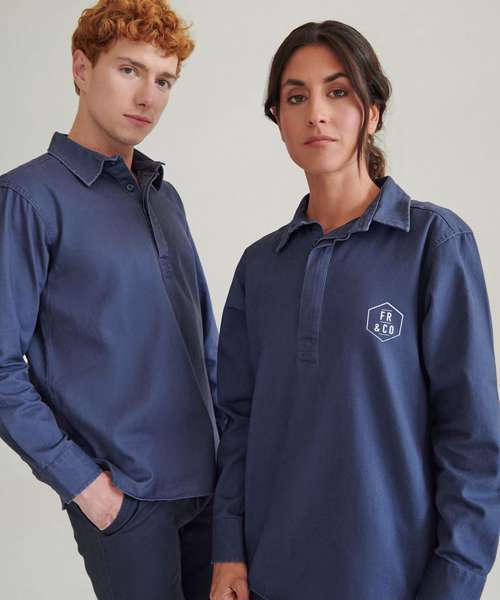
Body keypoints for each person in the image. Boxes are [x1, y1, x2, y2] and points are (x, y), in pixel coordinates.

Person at [210, 20, 500, 600]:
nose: (316, 114)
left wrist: (454, 585)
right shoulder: (260, 266)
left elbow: (471, 439)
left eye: (338, 92)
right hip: (269, 578)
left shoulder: (433, 243)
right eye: (296, 97)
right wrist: (228, 552)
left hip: (391, 580)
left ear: (372, 112)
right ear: (278, 119)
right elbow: (238, 422)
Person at [0, 1, 220, 599]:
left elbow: (204, 344)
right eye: (129, 70)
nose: (148, 96)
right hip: (127, 502)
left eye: (164, 80)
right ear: (81, 68)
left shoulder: (164, 197)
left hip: (210, 490)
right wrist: (88, 489)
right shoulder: (27, 198)